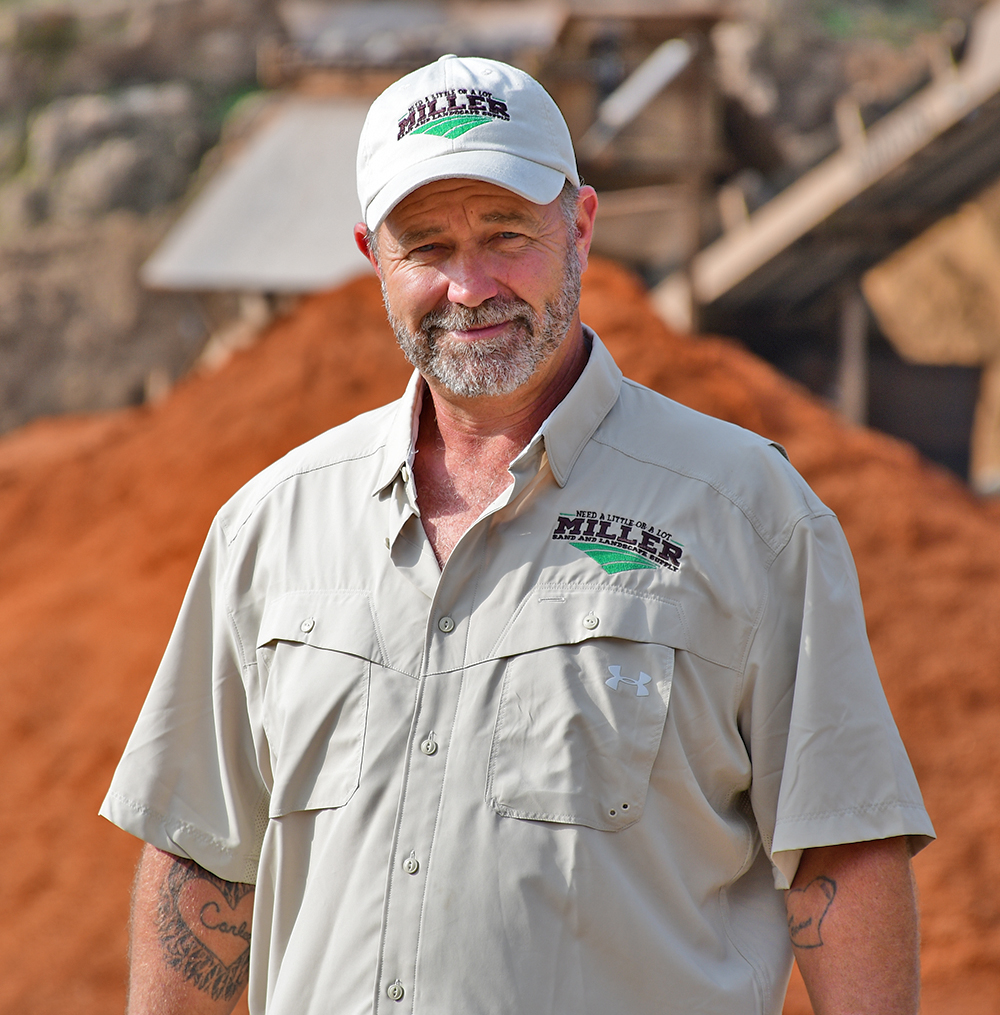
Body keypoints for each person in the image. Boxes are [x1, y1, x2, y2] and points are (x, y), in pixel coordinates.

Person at [103, 55, 935, 1015]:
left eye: (506, 234)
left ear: (580, 226)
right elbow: (202, 860)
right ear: (373, 256)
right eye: (427, 246)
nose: (470, 286)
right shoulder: (271, 527)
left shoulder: (748, 515)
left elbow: (841, 849)